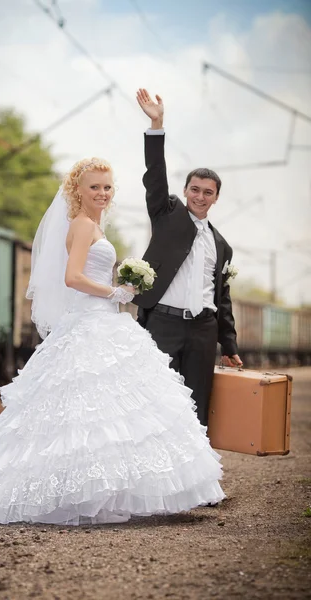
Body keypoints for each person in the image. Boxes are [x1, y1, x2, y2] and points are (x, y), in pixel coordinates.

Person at [0, 157, 225, 527]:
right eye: (94, 187)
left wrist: (121, 289)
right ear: (78, 190)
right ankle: (84, 494)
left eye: (107, 187)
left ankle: (106, 491)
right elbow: (72, 278)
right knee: (87, 412)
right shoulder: (81, 224)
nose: (102, 193)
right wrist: (114, 292)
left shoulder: (94, 225)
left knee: (111, 413)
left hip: (104, 321)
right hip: (91, 320)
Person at [134, 89, 242, 428]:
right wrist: (157, 123)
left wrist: (229, 343)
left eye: (207, 192)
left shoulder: (221, 245)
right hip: (162, 324)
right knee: (154, 403)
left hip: (203, 331)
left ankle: (189, 480)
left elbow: (222, 299)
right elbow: (154, 175)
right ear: (185, 191)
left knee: (196, 409)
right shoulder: (167, 215)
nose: (200, 196)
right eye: (194, 189)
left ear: (216, 198)